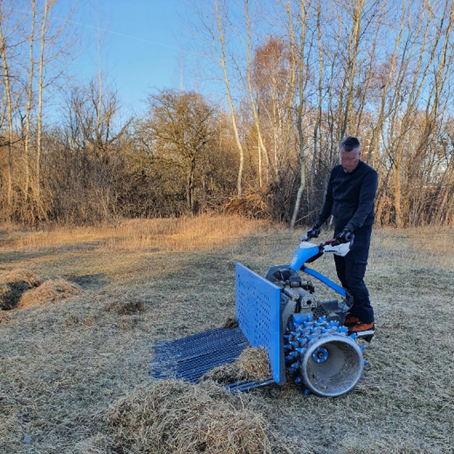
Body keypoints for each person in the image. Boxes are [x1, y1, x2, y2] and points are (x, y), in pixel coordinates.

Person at [306, 136, 378, 335]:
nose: (346, 164)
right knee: (343, 275)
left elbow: (365, 207)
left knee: (355, 277)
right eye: (343, 158)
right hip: (341, 231)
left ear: (359, 155)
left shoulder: (368, 175)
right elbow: (329, 201)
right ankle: (354, 313)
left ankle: (367, 320)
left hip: (358, 232)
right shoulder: (336, 172)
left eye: (351, 159)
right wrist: (317, 225)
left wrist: (350, 229)